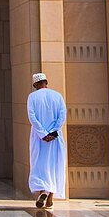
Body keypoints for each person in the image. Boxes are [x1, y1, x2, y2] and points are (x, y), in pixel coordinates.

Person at [27, 72, 66, 209]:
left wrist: (43, 134)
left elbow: (32, 117)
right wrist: (53, 132)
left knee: (40, 165)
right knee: (55, 166)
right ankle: (49, 199)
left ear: (36, 85)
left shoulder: (32, 97)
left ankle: (43, 191)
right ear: (46, 82)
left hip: (39, 138)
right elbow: (62, 115)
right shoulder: (57, 96)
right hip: (55, 138)